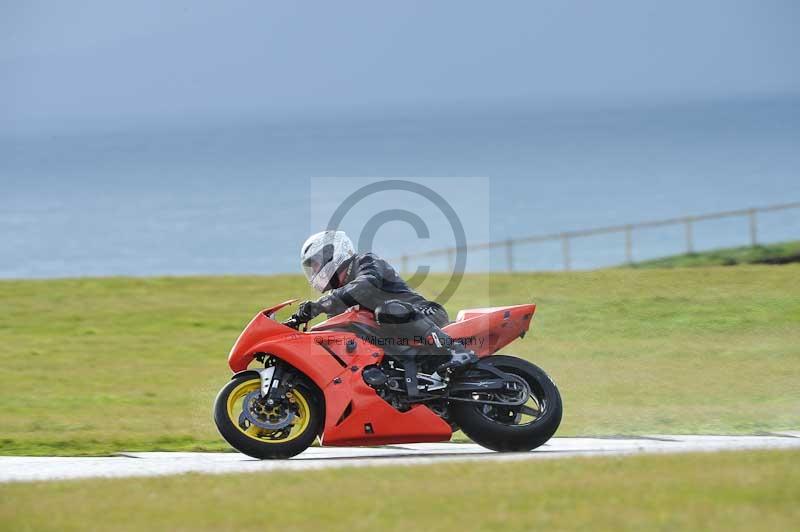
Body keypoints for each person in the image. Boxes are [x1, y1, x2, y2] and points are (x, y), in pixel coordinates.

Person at [295, 230, 478, 374]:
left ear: (331, 253)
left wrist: (320, 304)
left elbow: (365, 284)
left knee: (387, 310)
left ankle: (456, 350)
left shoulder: (365, 261)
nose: (315, 270)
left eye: (316, 264)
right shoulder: (339, 299)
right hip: (396, 341)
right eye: (311, 267)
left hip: (426, 313)